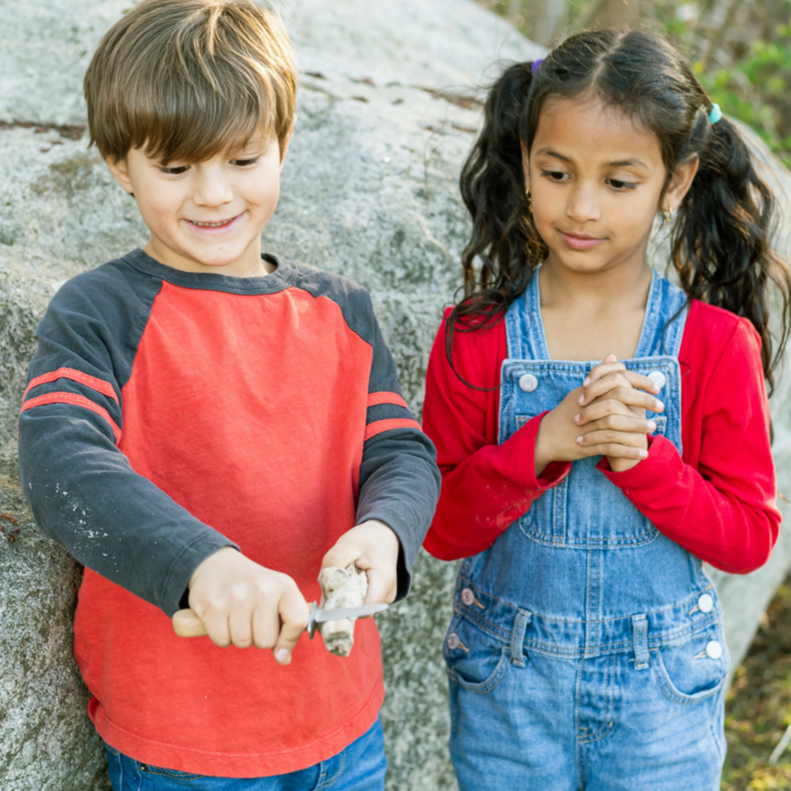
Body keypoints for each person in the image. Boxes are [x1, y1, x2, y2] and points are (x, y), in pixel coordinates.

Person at [17, 1, 440, 788]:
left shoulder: (342, 312)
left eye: (242, 160)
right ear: (120, 165)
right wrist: (201, 564)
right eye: (175, 169)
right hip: (183, 743)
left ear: (282, 144)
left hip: (344, 724)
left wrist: (384, 533)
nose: (212, 195)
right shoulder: (100, 310)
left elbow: (400, 450)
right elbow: (58, 458)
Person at [422, 29, 790, 790]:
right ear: (525, 159)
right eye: (556, 172)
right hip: (507, 687)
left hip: (662, 694)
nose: (581, 207)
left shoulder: (715, 344)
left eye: (619, 182)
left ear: (676, 179)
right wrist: (540, 446)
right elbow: (437, 524)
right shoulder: (475, 338)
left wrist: (641, 460)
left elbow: (748, 536)